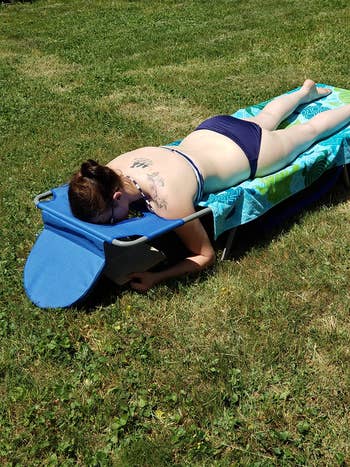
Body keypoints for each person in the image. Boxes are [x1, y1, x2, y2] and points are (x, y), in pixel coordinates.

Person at [69, 79, 350, 291]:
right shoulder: (116, 165)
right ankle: (304, 92)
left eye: (108, 219)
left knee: (311, 133)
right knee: (264, 118)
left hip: (250, 152)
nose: (111, 224)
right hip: (213, 129)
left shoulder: (167, 201)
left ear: (117, 197)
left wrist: (156, 277)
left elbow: (205, 256)